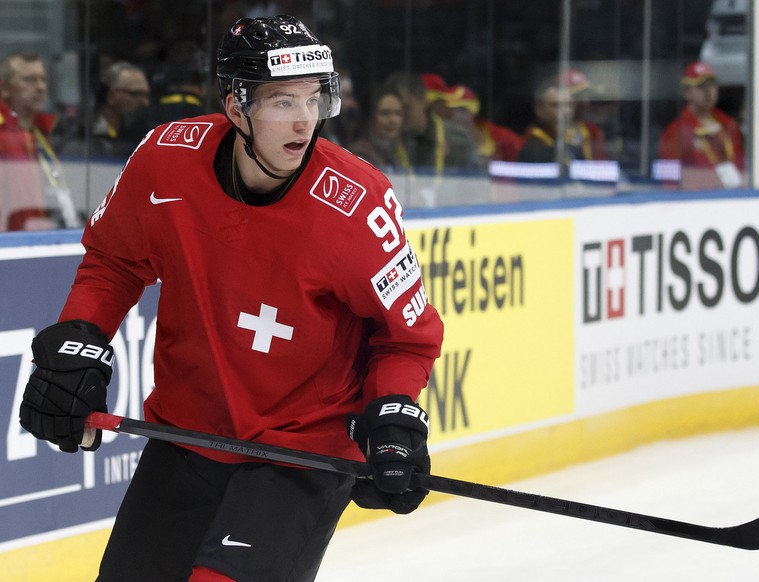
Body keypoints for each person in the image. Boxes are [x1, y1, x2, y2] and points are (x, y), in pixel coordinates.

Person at [18, 14, 444, 582]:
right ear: (237, 106)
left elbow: (407, 336)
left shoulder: (356, 204)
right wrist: (80, 336)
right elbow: (114, 261)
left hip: (300, 451)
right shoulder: (165, 160)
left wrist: (394, 412)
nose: (305, 121)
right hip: (188, 433)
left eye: (314, 99)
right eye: (282, 101)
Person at [0, 51, 76, 230]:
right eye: (29, 80)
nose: (41, 87)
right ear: (5, 88)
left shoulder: (44, 132)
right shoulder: (4, 135)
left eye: (43, 79)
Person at [383, 71, 481, 205]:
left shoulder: (457, 138)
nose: (398, 117)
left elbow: (478, 187)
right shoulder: (388, 142)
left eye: (405, 108)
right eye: (395, 110)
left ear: (424, 101)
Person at [657, 61, 745, 190]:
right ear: (686, 92)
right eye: (701, 87)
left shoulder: (729, 125)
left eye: (712, 86)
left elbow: (741, 167)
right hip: (696, 201)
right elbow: (669, 180)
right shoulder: (676, 131)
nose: (709, 92)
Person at [518, 70, 608, 165]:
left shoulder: (591, 131)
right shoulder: (532, 144)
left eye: (569, 104)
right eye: (556, 105)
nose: (565, 112)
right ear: (539, 109)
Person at [91, 61, 152, 158]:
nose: (145, 103)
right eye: (137, 94)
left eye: (146, 96)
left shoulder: (142, 136)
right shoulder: (83, 134)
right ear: (112, 96)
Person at [348, 83, 408, 172]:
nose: (393, 120)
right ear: (371, 118)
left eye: (398, 113)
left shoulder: (402, 150)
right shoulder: (360, 154)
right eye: (385, 113)